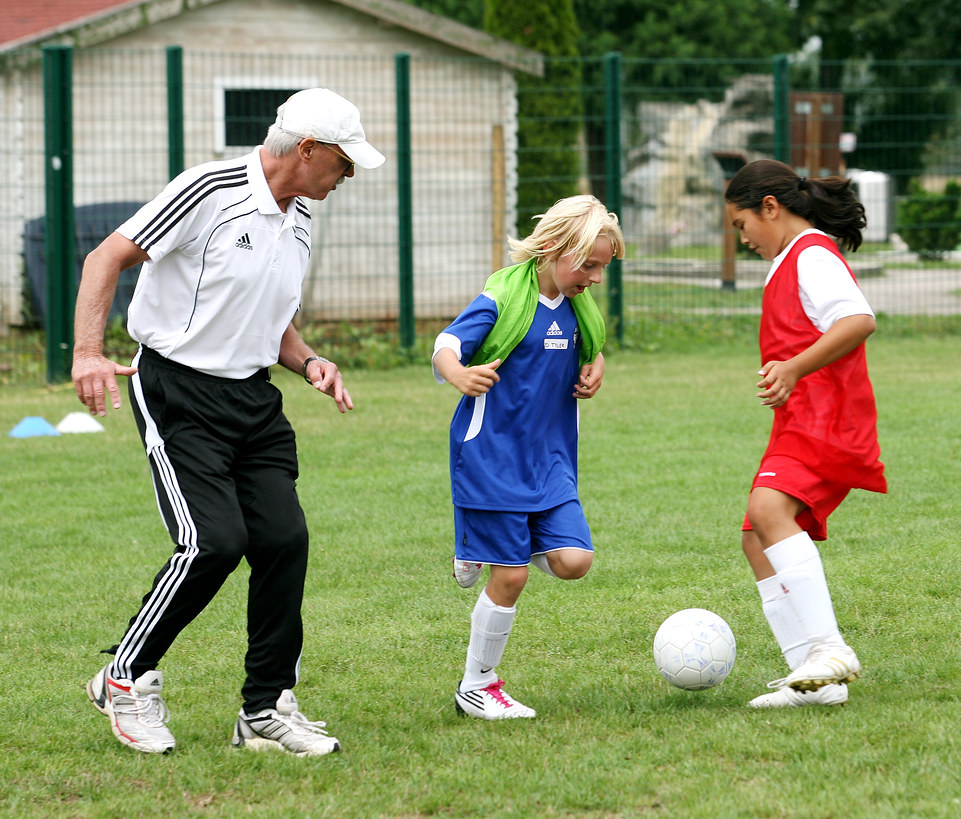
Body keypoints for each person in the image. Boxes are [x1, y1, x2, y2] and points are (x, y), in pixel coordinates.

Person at [71, 88, 385, 754]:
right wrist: (88, 352)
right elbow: (105, 258)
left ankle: (265, 709)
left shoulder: (302, 216)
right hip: (178, 391)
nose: (348, 175)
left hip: (253, 399)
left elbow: (271, 318)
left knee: (283, 539)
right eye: (344, 161)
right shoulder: (207, 190)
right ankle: (124, 677)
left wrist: (309, 361)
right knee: (211, 542)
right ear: (307, 150)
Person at [432, 195, 624, 719]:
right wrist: (459, 374)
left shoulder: (580, 309)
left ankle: (483, 544)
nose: (596, 278)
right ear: (556, 248)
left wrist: (597, 364)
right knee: (512, 576)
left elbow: (587, 346)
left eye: (603, 268)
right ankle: (477, 686)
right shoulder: (503, 297)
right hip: (492, 458)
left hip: (551, 462)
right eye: (589, 265)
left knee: (574, 561)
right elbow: (446, 344)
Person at [723, 158, 887, 709]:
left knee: (768, 511)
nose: (742, 238)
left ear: (770, 208)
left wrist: (793, 368)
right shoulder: (789, 260)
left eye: (742, 224)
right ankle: (813, 680)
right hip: (800, 422)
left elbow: (859, 320)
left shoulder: (812, 254)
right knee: (756, 536)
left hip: (827, 420)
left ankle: (830, 648)